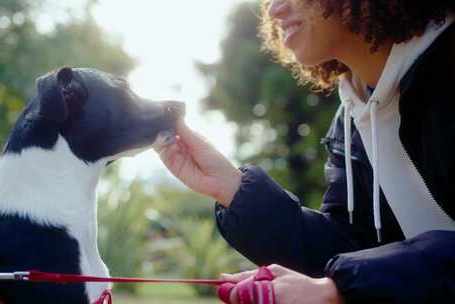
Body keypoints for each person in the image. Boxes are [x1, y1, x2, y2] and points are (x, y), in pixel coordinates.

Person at [156, 0, 455, 303]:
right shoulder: (352, 116)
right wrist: (233, 190)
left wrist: (339, 288)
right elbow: (354, 248)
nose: (274, 9)